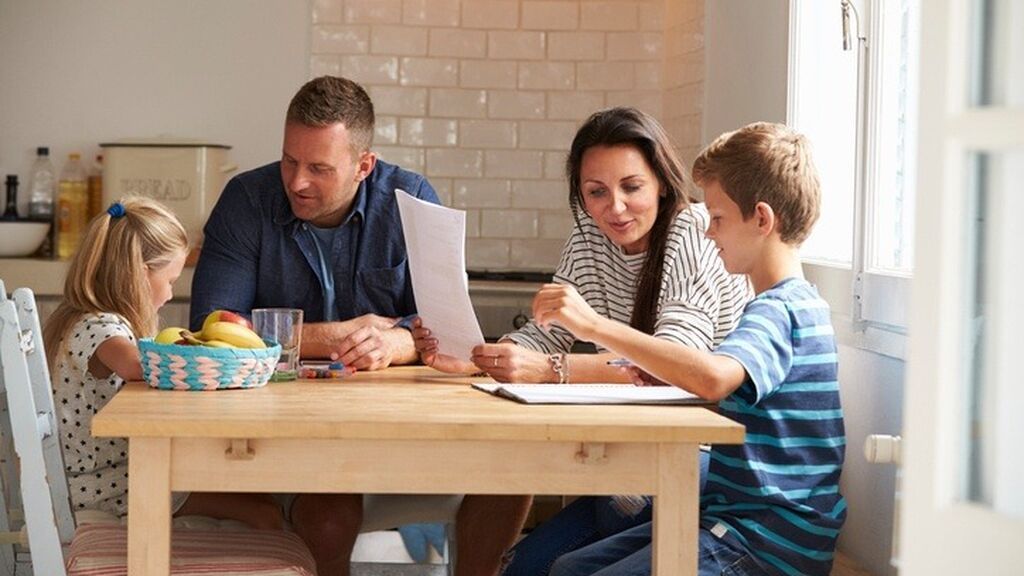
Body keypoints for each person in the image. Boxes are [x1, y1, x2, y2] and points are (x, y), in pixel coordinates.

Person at [189, 75, 530, 576]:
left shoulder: (411, 198)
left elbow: (447, 330)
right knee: (329, 515)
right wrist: (337, 336)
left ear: (364, 166)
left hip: (404, 429)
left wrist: (397, 341)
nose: (297, 181)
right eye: (289, 160)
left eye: (319, 168)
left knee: (512, 471)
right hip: (286, 434)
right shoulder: (246, 201)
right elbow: (211, 329)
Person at [413, 106, 751, 575]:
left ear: (661, 182)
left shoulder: (692, 231)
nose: (614, 207)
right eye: (596, 192)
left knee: (567, 562)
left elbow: (674, 371)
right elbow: (542, 332)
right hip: (632, 453)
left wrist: (551, 370)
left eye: (631, 187)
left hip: (701, 461)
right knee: (523, 568)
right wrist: (476, 358)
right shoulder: (589, 238)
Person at [531, 122, 847, 576]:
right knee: (568, 568)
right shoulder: (786, 306)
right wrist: (662, 372)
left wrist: (594, 325)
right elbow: (725, 390)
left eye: (717, 218)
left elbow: (714, 376)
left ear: (761, 219)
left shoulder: (782, 310)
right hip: (733, 520)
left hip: (765, 540)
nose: (709, 232)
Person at [43, 197, 283, 530]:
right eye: (169, 281)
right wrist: (206, 352)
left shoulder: (82, 317)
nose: (170, 294)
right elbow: (135, 366)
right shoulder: (99, 326)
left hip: (109, 477)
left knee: (258, 499)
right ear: (139, 275)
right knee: (266, 514)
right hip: (106, 489)